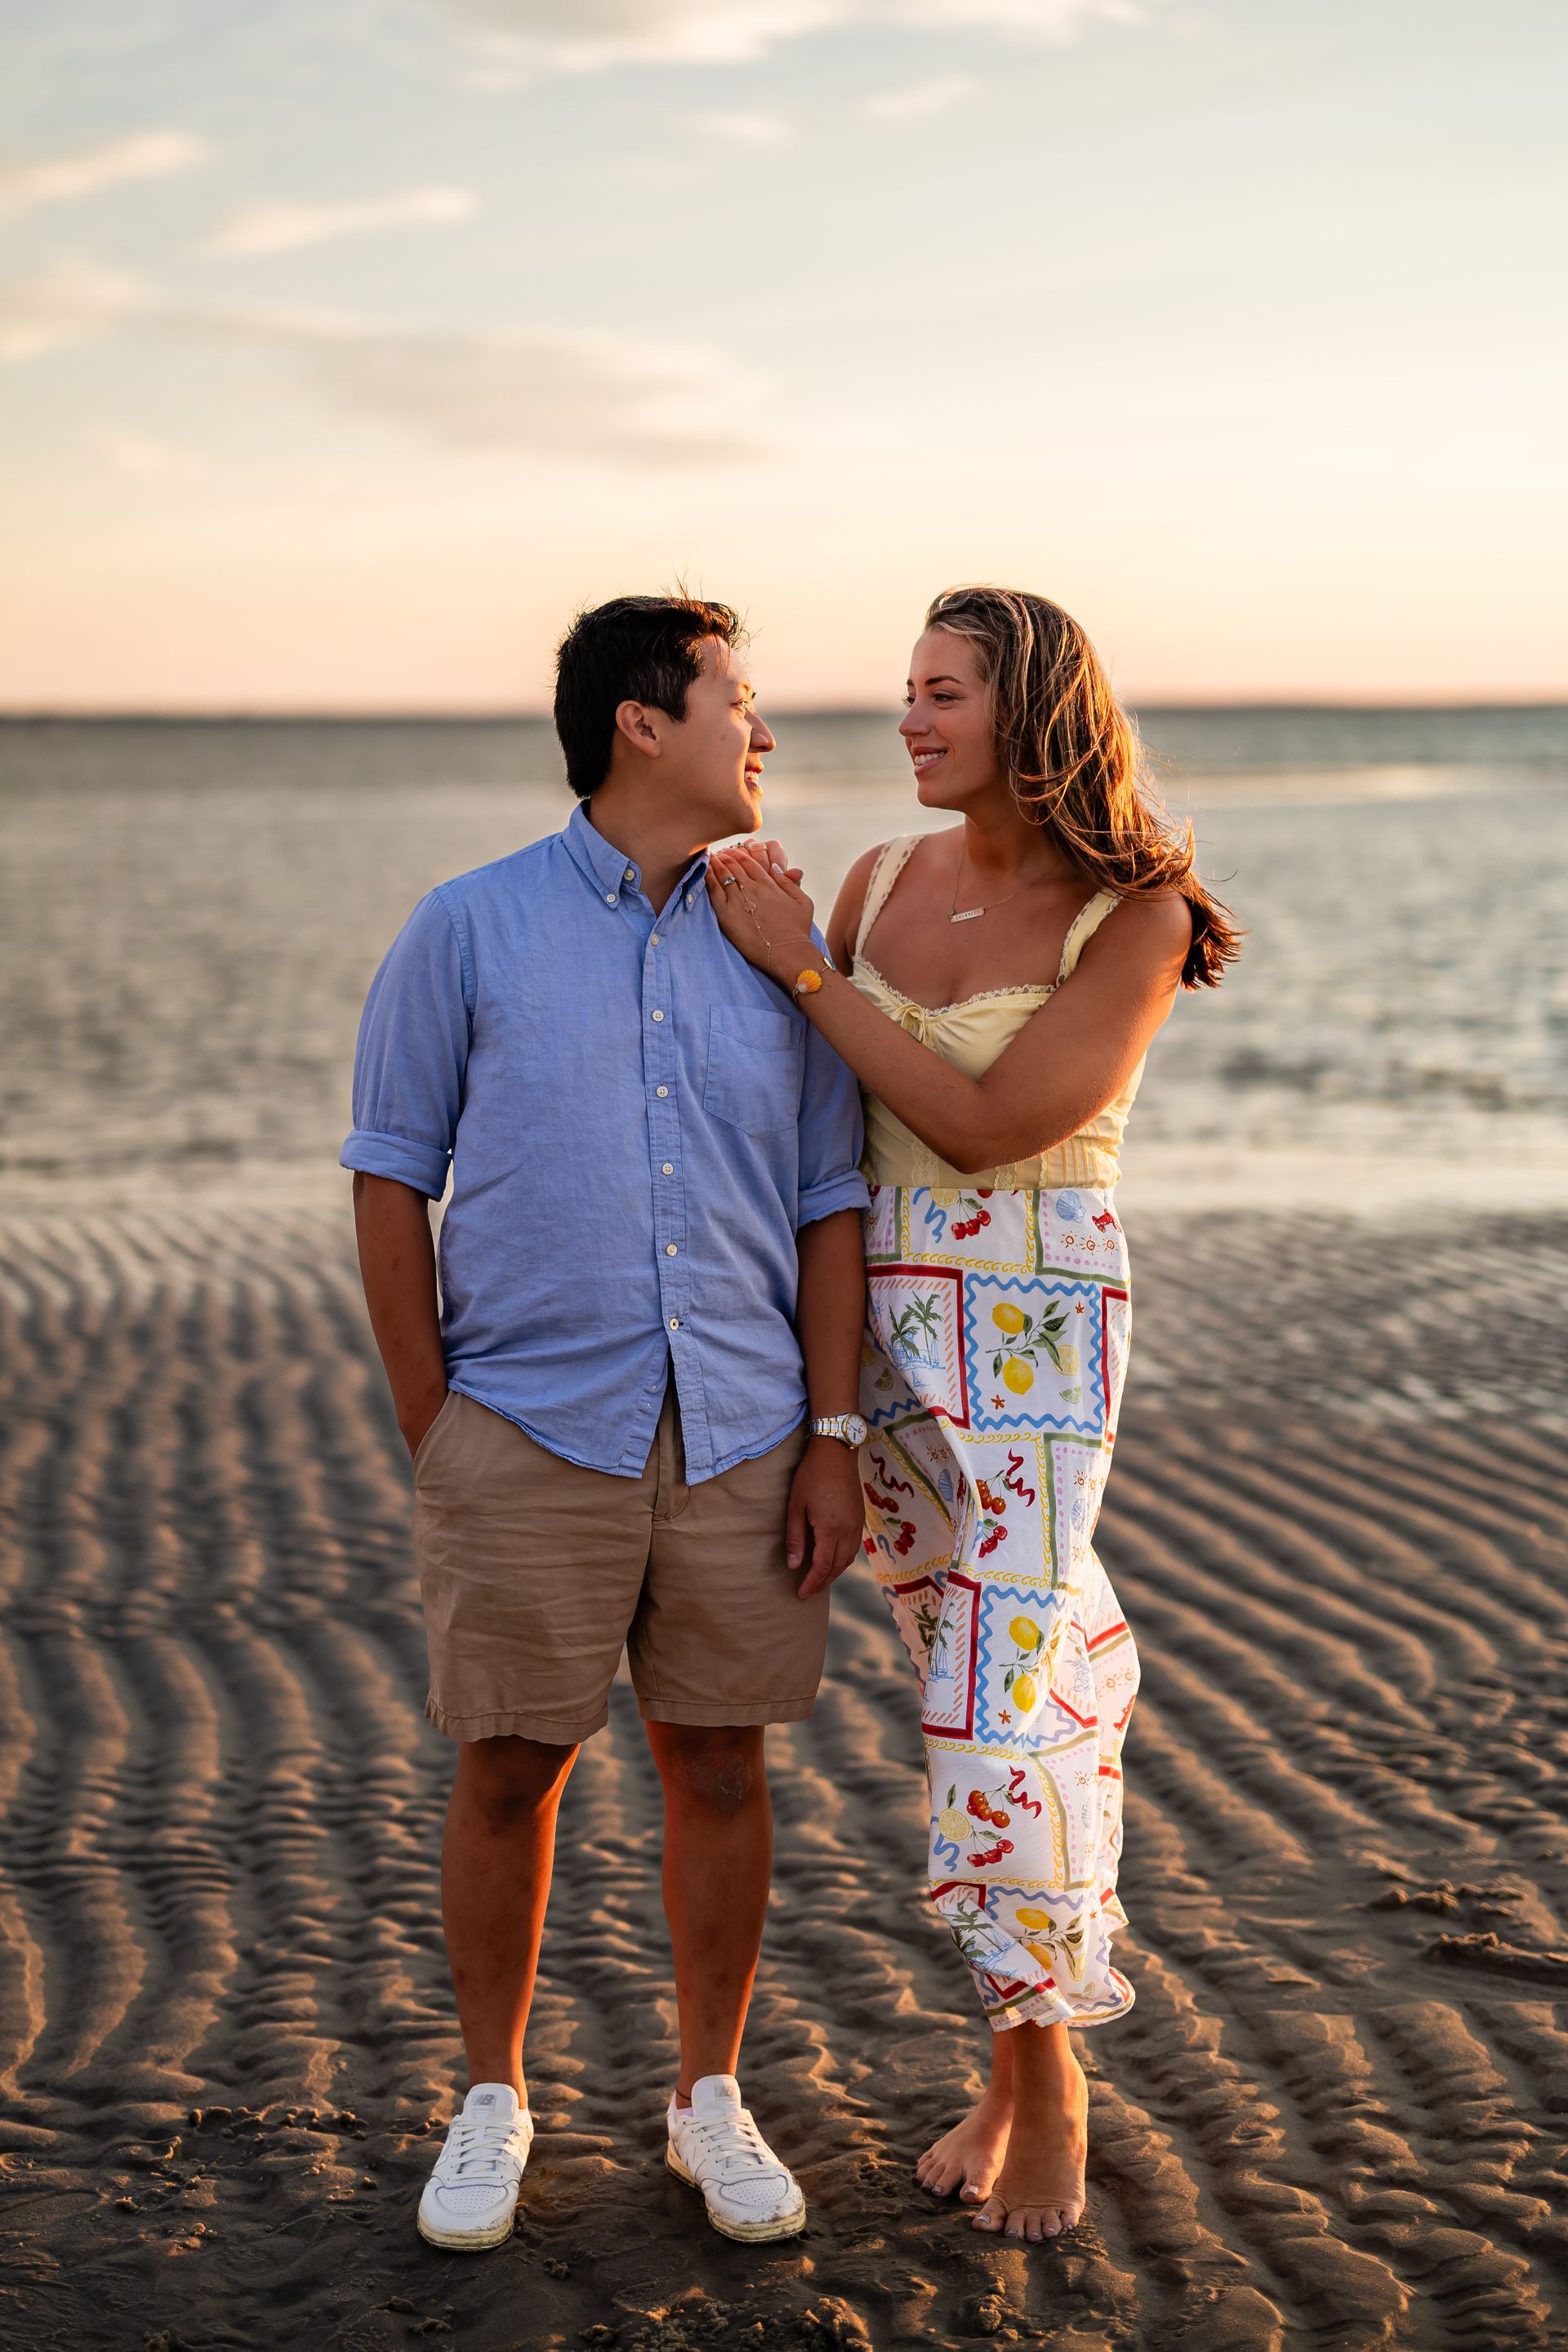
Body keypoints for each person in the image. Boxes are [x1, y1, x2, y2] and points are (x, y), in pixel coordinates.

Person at [707, 583, 1240, 2243]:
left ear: (1030, 711)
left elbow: (998, 1120)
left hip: (1033, 1334)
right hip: (881, 1341)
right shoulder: (875, 881)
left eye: (943, 693)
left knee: (992, 1718)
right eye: (906, 693)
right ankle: (1016, 2062)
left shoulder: (1134, 914)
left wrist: (799, 968)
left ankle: (1054, 2079)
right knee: (997, 1675)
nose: (911, 721)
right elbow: (820, 1136)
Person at [342, 594, 869, 2252]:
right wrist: (440, 1426)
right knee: (508, 1772)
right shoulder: (467, 927)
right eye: (741, 701)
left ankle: (709, 2099)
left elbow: (830, 1203)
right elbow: (386, 1175)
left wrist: (837, 1435)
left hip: (744, 1431)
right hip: (525, 1433)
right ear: (645, 723)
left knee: (721, 1767)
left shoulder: (784, 946)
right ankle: (491, 2099)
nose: (763, 735)